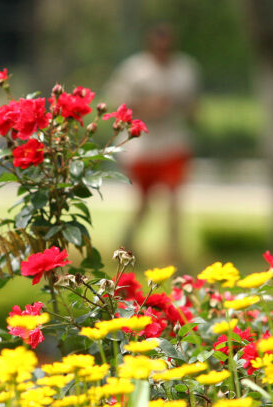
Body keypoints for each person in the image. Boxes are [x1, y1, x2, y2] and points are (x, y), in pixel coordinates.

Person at [105, 24, 200, 263]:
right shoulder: (135, 70)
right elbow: (117, 103)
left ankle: (175, 253)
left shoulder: (184, 69)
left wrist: (182, 108)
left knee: (175, 200)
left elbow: (194, 107)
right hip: (142, 146)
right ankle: (126, 247)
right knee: (143, 203)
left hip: (173, 142)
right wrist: (149, 106)